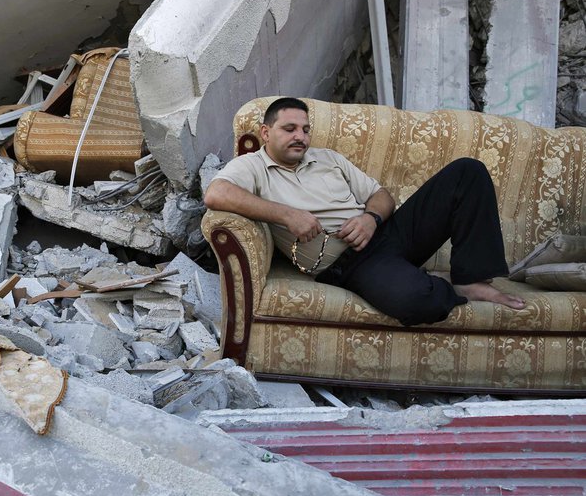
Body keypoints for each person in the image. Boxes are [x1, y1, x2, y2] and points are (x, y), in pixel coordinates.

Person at [203, 97, 525, 326]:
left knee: (467, 173)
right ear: (265, 132)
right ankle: (437, 285)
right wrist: (286, 215)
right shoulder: (253, 167)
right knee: (419, 302)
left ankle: (469, 279)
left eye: (305, 129)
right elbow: (216, 194)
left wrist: (370, 219)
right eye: (289, 128)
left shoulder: (328, 158)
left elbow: (380, 195)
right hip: (352, 262)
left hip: (387, 234)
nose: (300, 136)